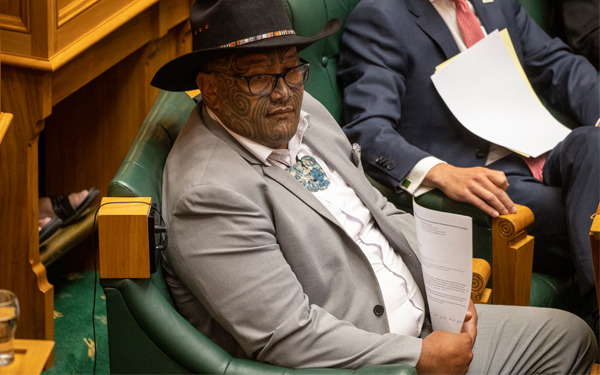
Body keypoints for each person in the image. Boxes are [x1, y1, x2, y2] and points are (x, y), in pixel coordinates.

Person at [150, 0, 597, 373]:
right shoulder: (208, 194)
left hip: (425, 321)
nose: (285, 93)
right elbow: (288, 336)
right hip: (377, 359)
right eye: (258, 78)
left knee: (574, 338)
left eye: (290, 70)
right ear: (208, 88)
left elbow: (382, 213)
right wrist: (419, 356)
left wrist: (448, 286)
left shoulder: (306, 118)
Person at [338, 0, 600, 303]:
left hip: (541, 145)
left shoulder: (496, 3)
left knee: (592, 142)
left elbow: (559, 65)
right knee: (587, 212)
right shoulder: (380, 16)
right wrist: (440, 172)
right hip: (482, 177)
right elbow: (368, 130)